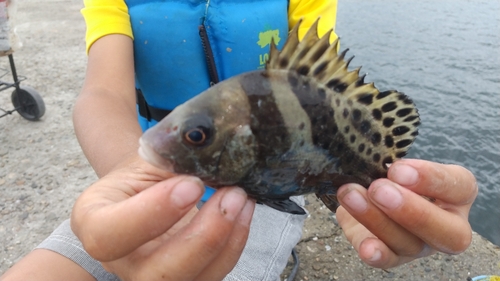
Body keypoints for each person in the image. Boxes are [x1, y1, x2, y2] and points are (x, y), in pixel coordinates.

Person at [1, 0, 478, 280]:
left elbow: (326, 98)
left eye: (197, 134)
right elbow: (102, 93)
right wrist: (135, 177)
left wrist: (377, 199)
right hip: (134, 183)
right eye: (197, 134)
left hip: (264, 203)